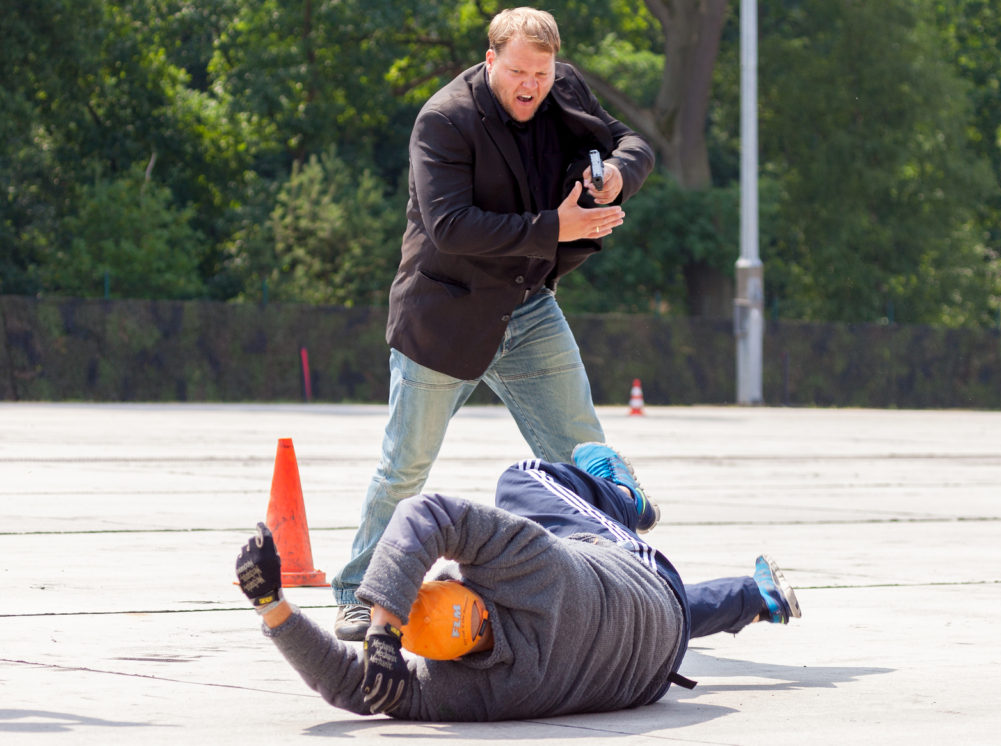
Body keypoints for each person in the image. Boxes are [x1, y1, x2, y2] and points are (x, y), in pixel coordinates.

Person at [330, 6, 657, 641]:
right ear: (489, 61)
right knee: (406, 467)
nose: (531, 85)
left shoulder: (562, 87)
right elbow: (450, 227)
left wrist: (618, 173)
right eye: (518, 72)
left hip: (528, 305)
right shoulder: (444, 120)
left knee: (585, 458)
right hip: (446, 314)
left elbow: (634, 142)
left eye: (542, 71)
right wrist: (556, 227)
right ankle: (355, 591)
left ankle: (620, 589)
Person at [237, 444, 801, 720]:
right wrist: (381, 624)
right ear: (462, 588)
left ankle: (758, 597)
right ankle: (628, 501)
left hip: (651, 663)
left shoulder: (466, 691)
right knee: (521, 480)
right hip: (645, 579)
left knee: (649, 621)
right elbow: (427, 513)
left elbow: (350, 687)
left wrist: (273, 609)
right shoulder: (533, 569)